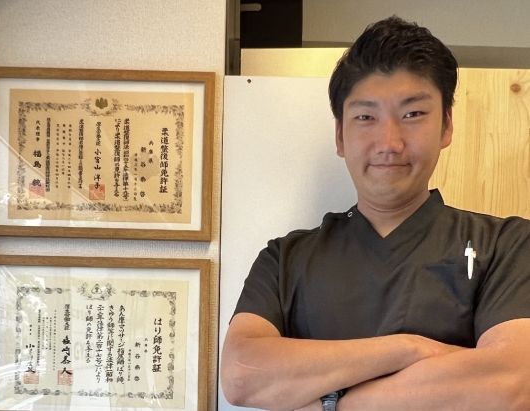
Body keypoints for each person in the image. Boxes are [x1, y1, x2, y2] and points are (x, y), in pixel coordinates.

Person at [220, 16, 530, 411]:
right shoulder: (285, 260)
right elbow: (241, 374)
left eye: (413, 114)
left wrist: (330, 404)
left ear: (446, 126)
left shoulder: (507, 246)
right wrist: (410, 348)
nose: (389, 142)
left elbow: (513, 384)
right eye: (366, 117)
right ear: (340, 136)